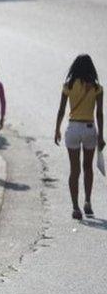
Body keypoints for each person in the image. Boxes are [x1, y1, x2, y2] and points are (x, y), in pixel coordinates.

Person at [54, 54, 105, 220]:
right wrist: (101, 136)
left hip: (73, 128)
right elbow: (99, 113)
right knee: (88, 168)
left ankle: (75, 207)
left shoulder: (68, 85)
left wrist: (57, 129)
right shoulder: (97, 88)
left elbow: (61, 110)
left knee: (74, 169)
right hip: (89, 128)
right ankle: (88, 202)